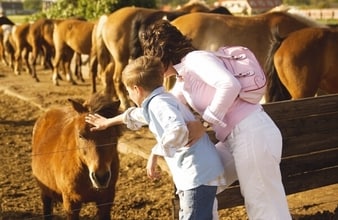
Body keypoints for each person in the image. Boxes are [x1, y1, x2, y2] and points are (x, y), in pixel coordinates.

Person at [140, 19, 292, 220]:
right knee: (205, 181)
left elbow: (229, 85)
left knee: (264, 206)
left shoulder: (196, 60)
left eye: (153, 58)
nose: (154, 66)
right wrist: (155, 150)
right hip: (234, 139)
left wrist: (203, 124)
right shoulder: (182, 79)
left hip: (253, 133)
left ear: (163, 52)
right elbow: (165, 105)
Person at [85, 55, 227, 220]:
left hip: (196, 175)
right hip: (200, 173)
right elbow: (138, 115)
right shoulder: (159, 100)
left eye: (128, 91)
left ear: (137, 89)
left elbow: (178, 130)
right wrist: (108, 122)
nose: (129, 96)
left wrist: (156, 152)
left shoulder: (159, 104)